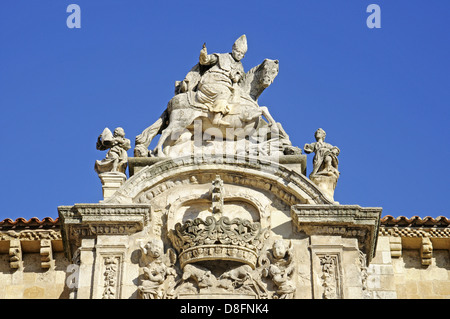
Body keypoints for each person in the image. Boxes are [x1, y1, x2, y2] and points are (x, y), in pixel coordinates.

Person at [192, 35, 248, 126]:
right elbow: (205, 61)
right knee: (224, 93)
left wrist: (235, 78)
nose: (239, 55)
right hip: (211, 82)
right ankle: (216, 118)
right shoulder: (221, 57)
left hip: (226, 85)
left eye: (241, 54)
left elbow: (238, 78)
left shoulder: (240, 67)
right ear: (233, 49)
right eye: (237, 51)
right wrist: (203, 54)